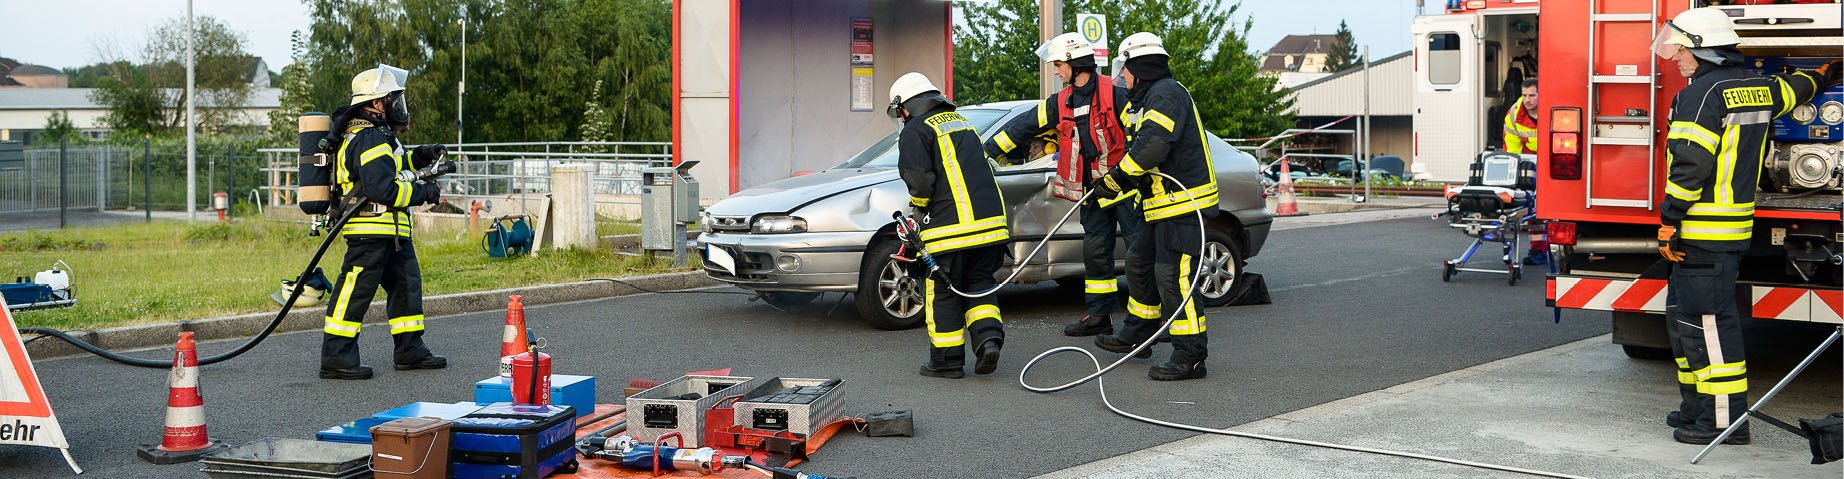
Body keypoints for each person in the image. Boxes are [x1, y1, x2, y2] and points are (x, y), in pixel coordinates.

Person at [1651, 7, 1840, 444]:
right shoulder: (1754, 86)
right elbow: (1796, 88)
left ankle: (1723, 423)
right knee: (1687, 322)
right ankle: (1696, 410)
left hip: (1701, 231)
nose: (1676, 56)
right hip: (1727, 230)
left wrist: (1670, 220)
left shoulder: (1700, 94)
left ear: (1703, 50)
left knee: (1708, 326)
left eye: (1681, 48)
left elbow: (1690, 165)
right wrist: (1827, 72)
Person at [981, 32, 1147, 338]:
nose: (1056, 71)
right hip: (1093, 192)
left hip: (1126, 187)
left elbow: (1141, 134)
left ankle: (1150, 319)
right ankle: (1100, 315)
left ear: (1075, 63)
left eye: (1058, 64)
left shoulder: (1114, 92)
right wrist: (987, 150)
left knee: (1139, 254)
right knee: (1096, 254)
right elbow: (1025, 125)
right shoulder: (1062, 101)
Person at [1090, 32, 1216, 381]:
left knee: (1174, 278)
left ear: (1139, 67)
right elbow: (1138, 153)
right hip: (1159, 205)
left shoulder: (1167, 94)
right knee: (1139, 264)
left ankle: (1190, 356)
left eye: (1126, 70)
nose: (1123, 77)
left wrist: (1116, 180)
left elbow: (1152, 148)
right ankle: (1140, 331)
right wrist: (1109, 188)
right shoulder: (1144, 100)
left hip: (1185, 205)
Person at [319, 64, 452, 380]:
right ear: (379, 103)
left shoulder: (377, 137)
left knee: (406, 286)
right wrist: (423, 192)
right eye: (395, 99)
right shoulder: (370, 137)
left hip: (389, 231)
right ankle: (336, 356)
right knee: (354, 292)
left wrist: (420, 156)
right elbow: (382, 187)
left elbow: (389, 166)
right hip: (371, 230)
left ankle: (410, 348)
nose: (399, 106)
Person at [889, 72, 1012, 379]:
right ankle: (988, 342)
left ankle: (947, 361)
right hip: (991, 228)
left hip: (949, 231)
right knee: (979, 284)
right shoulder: (964, 123)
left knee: (943, 292)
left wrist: (917, 212)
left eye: (901, 110)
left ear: (906, 106)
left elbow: (919, 181)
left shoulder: (916, 129)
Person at [1502, 78, 1548, 265]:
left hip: (1555, 163)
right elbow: (1513, 151)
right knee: (1532, 207)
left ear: (1541, 95)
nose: (1527, 100)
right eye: (1524, 95)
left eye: (1532, 95)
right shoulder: (1514, 114)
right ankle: (1538, 251)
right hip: (1531, 165)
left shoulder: (1553, 108)